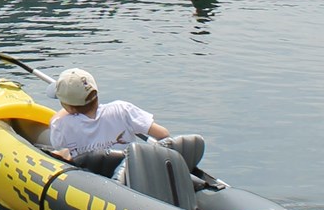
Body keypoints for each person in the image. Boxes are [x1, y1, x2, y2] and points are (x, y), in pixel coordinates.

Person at [47, 66, 206, 174]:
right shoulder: (122, 109)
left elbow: (60, 146)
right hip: (129, 172)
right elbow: (163, 134)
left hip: (94, 179)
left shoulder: (61, 124)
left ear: (68, 107)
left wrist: (68, 108)